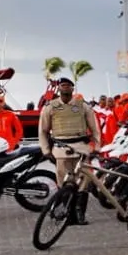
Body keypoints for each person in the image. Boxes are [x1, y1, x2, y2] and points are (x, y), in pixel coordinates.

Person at [37, 75, 101, 223]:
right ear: (58, 88)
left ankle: (79, 214)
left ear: (73, 88)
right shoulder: (50, 107)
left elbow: (95, 128)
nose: (65, 87)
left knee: (83, 182)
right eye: (62, 85)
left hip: (81, 149)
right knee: (64, 183)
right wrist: (46, 150)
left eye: (68, 85)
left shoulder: (83, 106)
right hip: (61, 150)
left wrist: (96, 147)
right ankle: (66, 213)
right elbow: (43, 131)